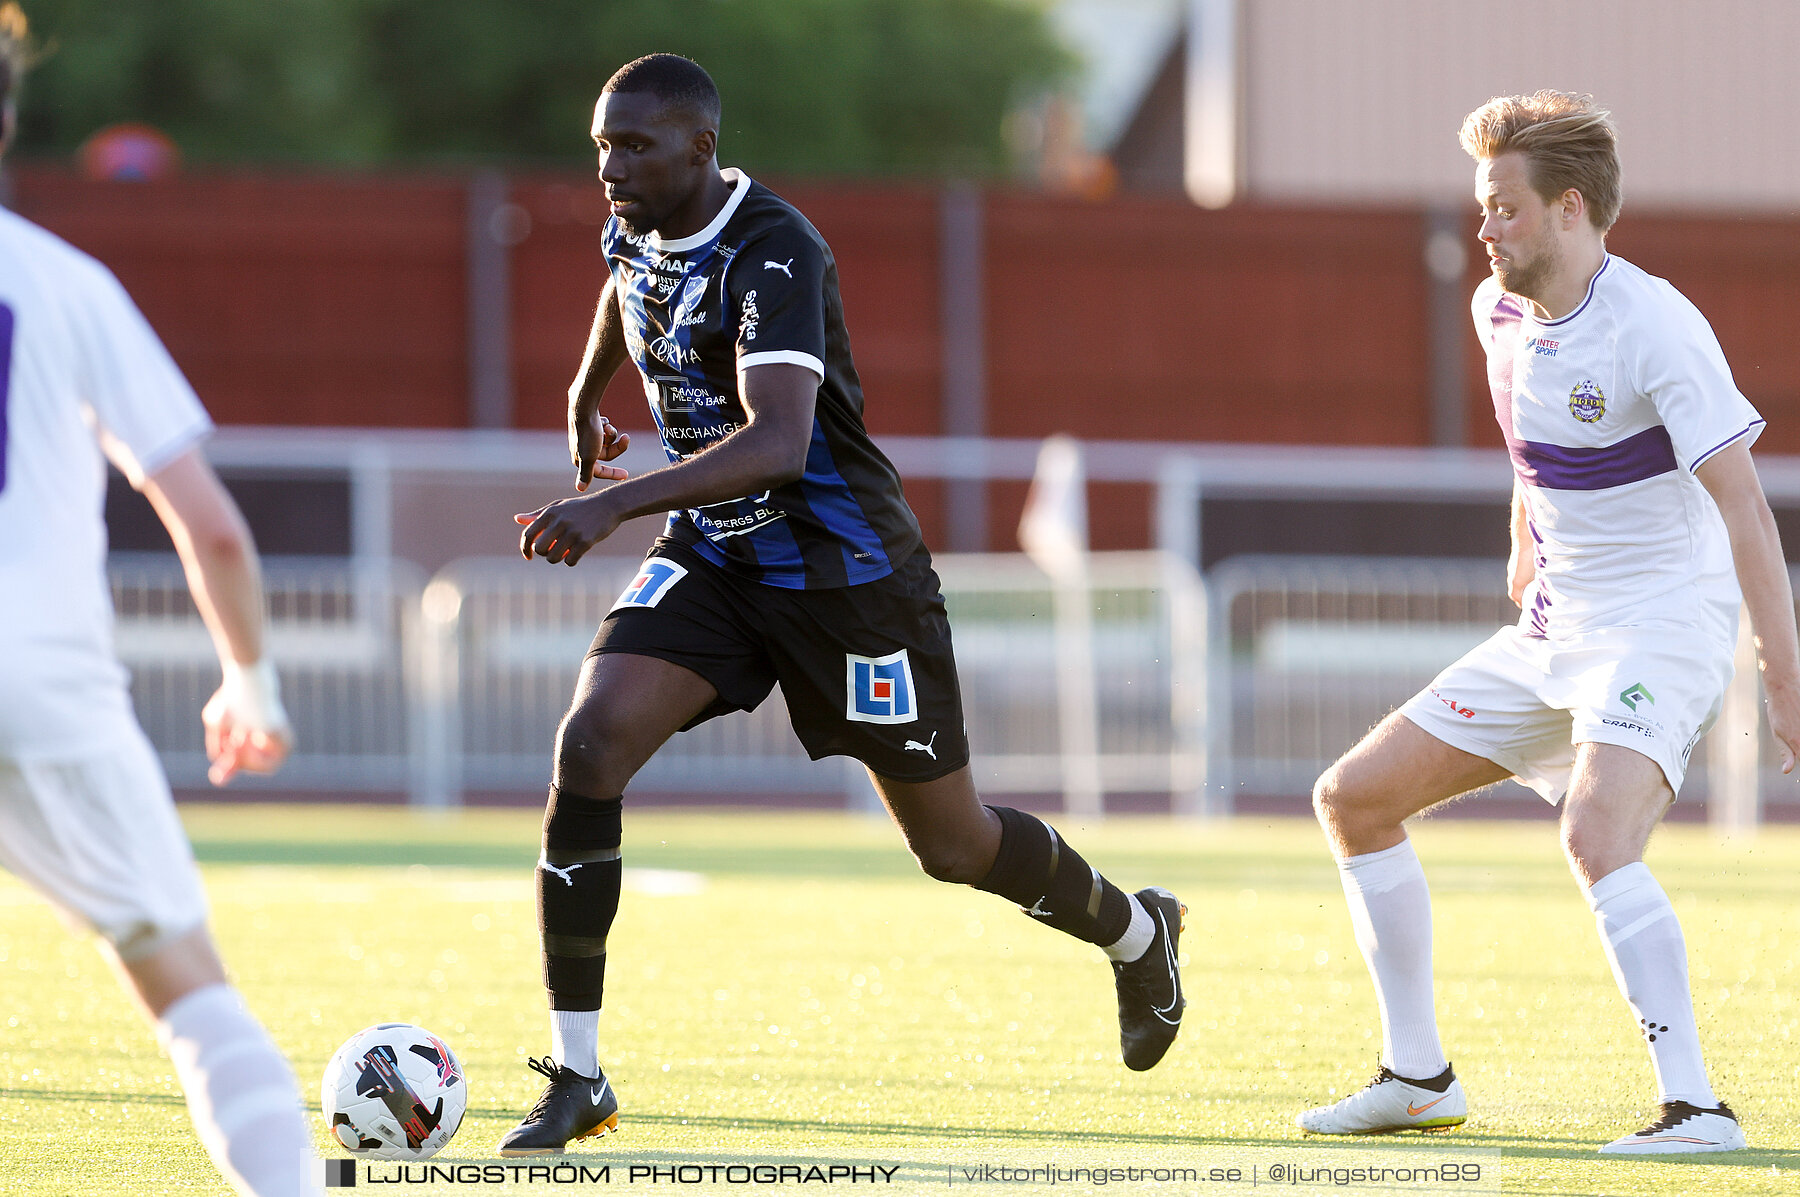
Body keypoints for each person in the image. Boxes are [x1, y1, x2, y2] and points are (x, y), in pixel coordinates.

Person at [499, 53, 1186, 1155]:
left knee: (954, 845)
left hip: (847, 582)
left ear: (700, 148)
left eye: (633, 148)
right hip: (719, 563)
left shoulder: (775, 246)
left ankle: (1138, 931)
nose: (610, 169)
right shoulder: (635, 217)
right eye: (600, 148)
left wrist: (614, 508)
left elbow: (779, 441)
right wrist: (586, 395)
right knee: (589, 750)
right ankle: (577, 1077)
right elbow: (620, 280)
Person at [1297, 90, 1798, 1154]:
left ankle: (1697, 1109)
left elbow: (1747, 509)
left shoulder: (1656, 323)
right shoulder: (1499, 311)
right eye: (1481, 207)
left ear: (1570, 210)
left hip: (1663, 622)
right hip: (1557, 624)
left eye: (1503, 208)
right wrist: (1524, 534)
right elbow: (1533, 446)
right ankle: (1417, 1077)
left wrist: (1783, 674)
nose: (1484, 229)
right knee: (1352, 798)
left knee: (1595, 833)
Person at [0, 7, 317, 1193]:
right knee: (188, 989)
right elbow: (215, 527)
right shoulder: (65, 284)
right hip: (39, 679)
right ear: (11, 120)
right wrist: (252, 678)